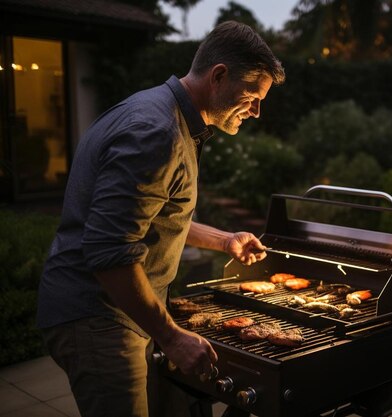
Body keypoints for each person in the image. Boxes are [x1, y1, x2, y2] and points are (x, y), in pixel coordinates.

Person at [36, 21, 285, 417]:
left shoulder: (158, 111)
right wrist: (171, 336)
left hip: (115, 311)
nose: (256, 111)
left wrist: (222, 240)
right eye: (252, 96)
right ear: (219, 76)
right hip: (99, 317)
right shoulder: (157, 132)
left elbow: (146, 220)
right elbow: (109, 250)